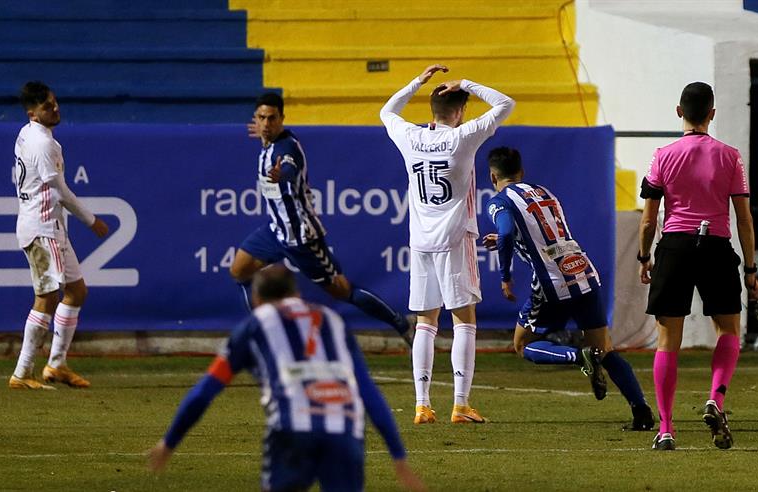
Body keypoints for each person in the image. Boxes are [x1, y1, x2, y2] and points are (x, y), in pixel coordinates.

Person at [148, 266, 424, 492]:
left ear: (256, 299)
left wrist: (169, 441)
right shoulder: (333, 320)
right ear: (295, 291)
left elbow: (205, 391)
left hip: (292, 431)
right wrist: (398, 454)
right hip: (345, 431)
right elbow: (368, 391)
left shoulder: (254, 326)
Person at [482, 147, 655, 431]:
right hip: (583, 270)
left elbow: (505, 231)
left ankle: (577, 356)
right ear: (521, 173)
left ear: (492, 176)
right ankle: (642, 412)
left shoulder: (499, 202)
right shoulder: (544, 192)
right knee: (605, 348)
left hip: (552, 281)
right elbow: (539, 232)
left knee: (522, 344)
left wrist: (505, 276)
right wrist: (509, 239)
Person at [380, 64, 514, 424]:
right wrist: (467, 81)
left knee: (425, 320)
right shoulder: (463, 137)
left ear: (432, 111)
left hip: (421, 242)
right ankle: (460, 403)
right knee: (464, 319)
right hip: (456, 239)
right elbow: (505, 104)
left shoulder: (410, 136)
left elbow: (386, 111)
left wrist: (416, 83)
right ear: (460, 111)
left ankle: (422, 404)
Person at [638, 82, 758, 450]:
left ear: (679, 111)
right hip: (715, 246)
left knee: (667, 341)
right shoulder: (730, 157)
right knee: (728, 330)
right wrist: (750, 269)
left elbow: (649, 220)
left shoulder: (662, 155)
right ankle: (716, 399)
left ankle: (665, 429)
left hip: (675, 247)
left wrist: (645, 258)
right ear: (712, 113)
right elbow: (744, 219)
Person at [231, 93, 413, 345]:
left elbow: (289, 167)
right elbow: (269, 140)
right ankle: (264, 338)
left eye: (272, 118)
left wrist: (280, 174)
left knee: (342, 290)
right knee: (239, 271)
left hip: (302, 236)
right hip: (276, 231)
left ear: (282, 119)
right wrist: (264, 135)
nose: (266, 123)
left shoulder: (286, 148)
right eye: (261, 118)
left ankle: (401, 323)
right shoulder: (268, 142)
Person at [9, 81, 109, 390]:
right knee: (48, 296)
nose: (55, 109)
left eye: (55, 103)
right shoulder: (42, 143)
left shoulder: (30, 134)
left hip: (52, 227)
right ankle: (23, 372)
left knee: (76, 291)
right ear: (33, 114)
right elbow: (59, 190)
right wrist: (91, 220)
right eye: (47, 107)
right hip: (41, 229)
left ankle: (56, 364)